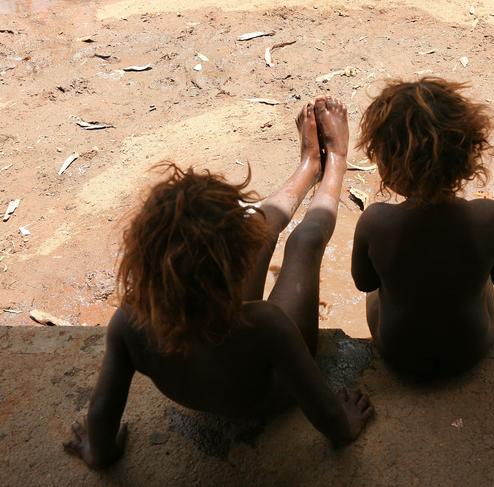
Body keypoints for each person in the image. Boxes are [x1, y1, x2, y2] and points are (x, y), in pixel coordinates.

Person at [64, 97, 373, 469]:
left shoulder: (131, 322)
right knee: (303, 244)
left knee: (256, 228)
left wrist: (99, 453)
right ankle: (334, 162)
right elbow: (325, 414)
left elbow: (100, 413)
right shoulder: (265, 324)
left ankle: (308, 167)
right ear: (237, 267)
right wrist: (347, 426)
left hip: (208, 371)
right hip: (266, 397)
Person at [351, 77, 494, 376]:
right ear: (468, 155)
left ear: (388, 166)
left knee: (381, 286)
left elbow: (364, 283)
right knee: (481, 274)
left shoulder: (375, 222)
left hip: (398, 355)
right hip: (471, 350)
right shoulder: (489, 217)